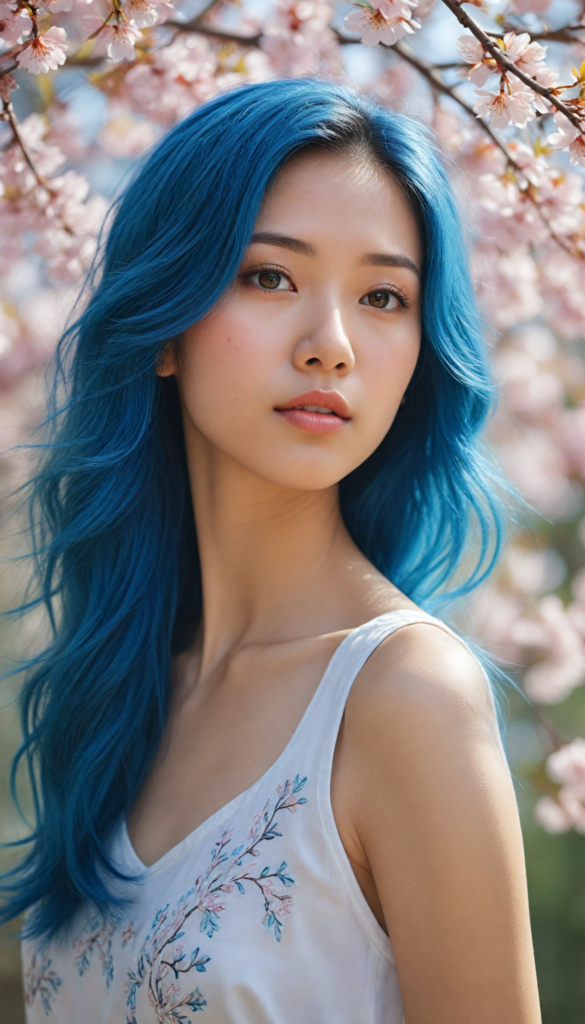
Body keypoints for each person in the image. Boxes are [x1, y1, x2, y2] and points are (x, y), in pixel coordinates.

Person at [3, 79, 541, 1023]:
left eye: (383, 296)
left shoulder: (404, 697)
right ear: (165, 325)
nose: (330, 344)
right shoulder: (116, 703)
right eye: (270, 276)